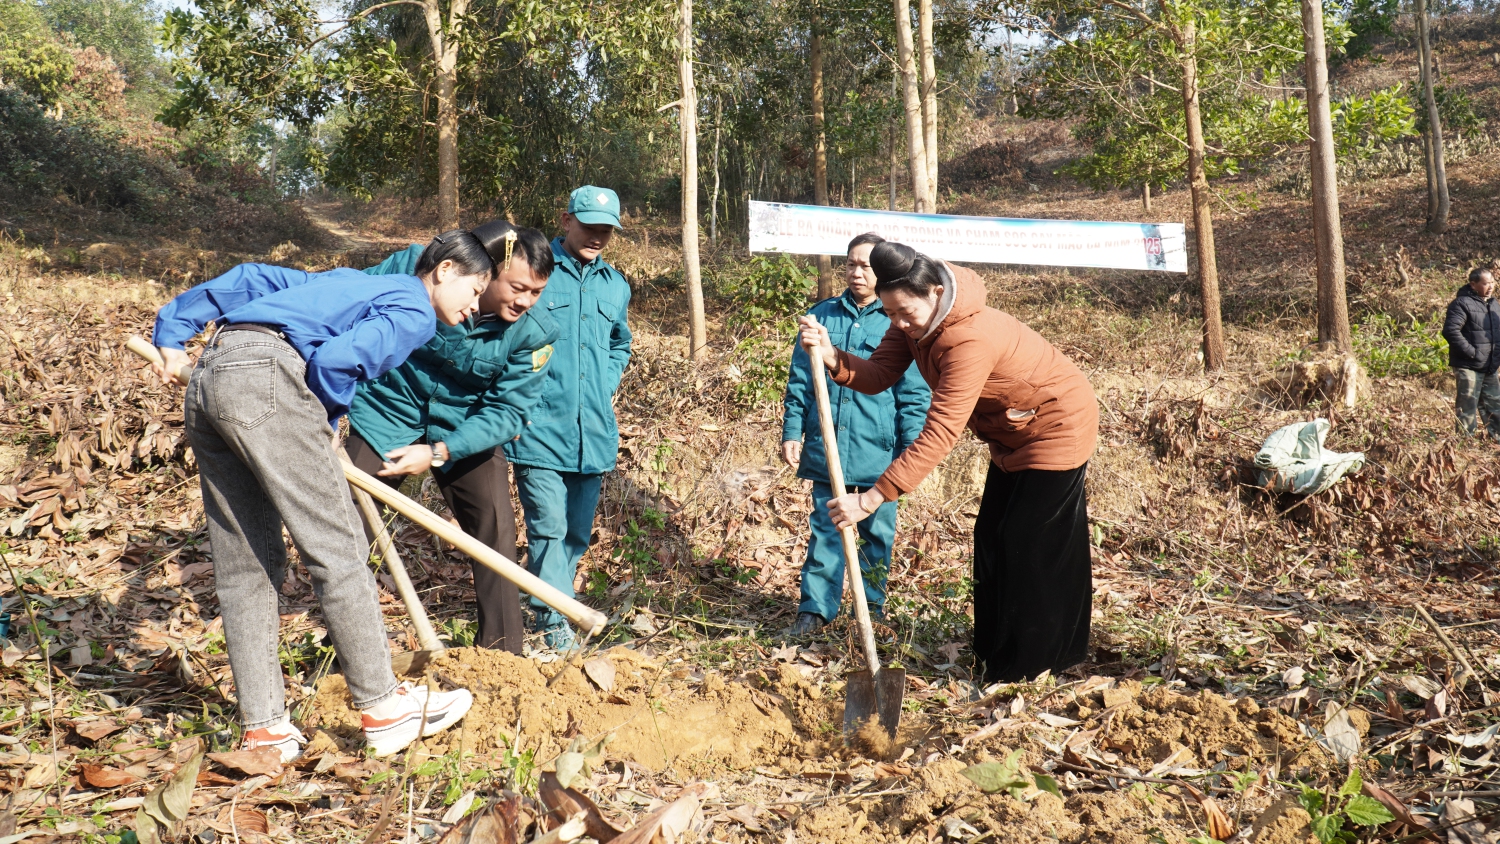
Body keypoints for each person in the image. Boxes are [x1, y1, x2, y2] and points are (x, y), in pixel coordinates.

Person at [149, 232, 494, 760]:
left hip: (213, 375)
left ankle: (265, 728)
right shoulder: (413, 307)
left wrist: (174, 331)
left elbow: (248, 278)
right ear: (444, 270)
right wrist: (323, 423)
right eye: (474, 291)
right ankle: (383, 708)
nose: (474, 308)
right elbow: (336, 361)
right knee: (339, 547)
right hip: (267, 378)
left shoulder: (343, 284)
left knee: (245, 566)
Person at [797, 243, 1098, 684]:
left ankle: (1033, 665)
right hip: (1012, 430)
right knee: (992, 535)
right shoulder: (913, 324)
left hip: (1057, 425)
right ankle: (992, 654)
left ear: (935, 292)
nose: (897, 323)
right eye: (889, 312)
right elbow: (880, 374)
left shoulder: (969, 339)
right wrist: (831, 356)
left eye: (904, 313)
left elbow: (940, 432)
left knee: (1028, 543)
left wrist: (875, 496)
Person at [346, 223, 559, 654]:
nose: (524, 301)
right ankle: (351, 650)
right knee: (349, 525)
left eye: (535, 292)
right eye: (517, 287)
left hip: (464, 428)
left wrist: (441, 451)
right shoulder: (422, 266)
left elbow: (509, 410)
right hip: (389, 410)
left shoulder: (536, 331)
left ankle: (502, 657)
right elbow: (349, 300)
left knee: (496, 531)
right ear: (486, 271)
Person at [780, 233, 930, 636]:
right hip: (828, 447)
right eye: (851, 264)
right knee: (825, 531)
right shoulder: (821, 316)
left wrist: (910, 449)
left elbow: (914, 393)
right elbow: (799, 381)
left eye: (866, 265)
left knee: (876, 537)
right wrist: (793, 429)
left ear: (882, 272)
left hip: (878, 453)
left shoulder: (899, 322)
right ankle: (813, 611)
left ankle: (870, 614)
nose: (857, 272)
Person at [504, 186, 632, 650]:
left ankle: (552, 596)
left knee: (576, 532)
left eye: (606, 230)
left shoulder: (616, 286)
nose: (598, 237)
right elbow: (504, 330)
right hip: (539, 427)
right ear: (565, 220)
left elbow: (621, 342)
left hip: (593, 430)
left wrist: (606, 380)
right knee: (548, 527)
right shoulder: (536, 274)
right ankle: (551, 620)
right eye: (590, 227)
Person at [1442, 267, 1500, 439]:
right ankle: (1465, 444)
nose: (1490, 287)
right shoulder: (1461, 304)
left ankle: (1496, 439)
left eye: (1492, 282)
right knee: (1467, 406)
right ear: (1473, 284)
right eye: (1485, 283)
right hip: (1468, 365)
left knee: (1495, 405)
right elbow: (1451, 331)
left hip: (1490, 365)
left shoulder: (1494, 304)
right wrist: (1472, 352)